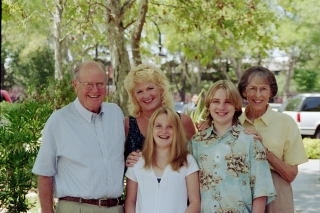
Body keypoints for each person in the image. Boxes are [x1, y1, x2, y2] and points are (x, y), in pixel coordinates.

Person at [32, 61, 125, 213]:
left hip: (116, 208)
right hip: (77, 208)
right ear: (75, 84)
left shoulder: (115, 114)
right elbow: (44, 174)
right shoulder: (59, 121)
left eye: (100, 84)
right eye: (88, 84)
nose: (95, 90)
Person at [191, 80, 276, 213]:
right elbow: (191, 190)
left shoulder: (251, 141)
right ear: (209, 104)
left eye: (228, 102)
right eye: (216, 101)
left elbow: (261, 191)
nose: (221, 107)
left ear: (236, 106)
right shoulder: (196, 142)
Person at [237, 66, 308, 213]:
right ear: (244, 91)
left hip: (277, 196)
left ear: (271, 92)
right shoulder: (233, 122)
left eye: (263, 89)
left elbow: (291, 175)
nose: (258, 95)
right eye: (252, 88)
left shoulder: (286, 123)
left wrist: (265, 151)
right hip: (239, 194)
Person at [125, 107, 200, 213]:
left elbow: (195, 202)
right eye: (158, 126)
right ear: (151, 129)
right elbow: (130, 201)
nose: (164, 131)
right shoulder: (137, 161)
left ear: (177, 131)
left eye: (170, 127)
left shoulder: (187, 161)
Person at [123, 64, 196, 163]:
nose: (146, 95)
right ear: (134, 96)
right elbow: (116, 162)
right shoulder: (127, 125)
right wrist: (126, 161)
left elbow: (196, 160)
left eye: (150, 88)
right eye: (139, 91)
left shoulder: (183, 121)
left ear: (161, 89)